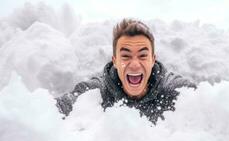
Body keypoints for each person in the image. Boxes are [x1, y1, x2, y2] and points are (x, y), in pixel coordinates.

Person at [56, 18, 197, 124]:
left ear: (153, 60)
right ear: (115, 60)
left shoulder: (173, 91)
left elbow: (204, 102)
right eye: (126, 56)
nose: (134, 65)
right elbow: (55, 109)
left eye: (142, 55)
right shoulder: (96, 92)